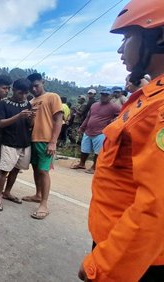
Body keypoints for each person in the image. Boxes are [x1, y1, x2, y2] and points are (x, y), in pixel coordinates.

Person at [78, 1, 164, 280]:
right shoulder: (148, 98)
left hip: (133, 261)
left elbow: (156, 209)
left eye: (127, 37)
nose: (120, 49)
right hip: (117, 241)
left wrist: (101, 267)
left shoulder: (160, 107)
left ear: (159, 37)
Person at [22, 73, 63, 220]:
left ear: (43, 82)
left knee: (43, 171)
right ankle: (38, 195)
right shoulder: (31, 101)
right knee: (35, 169)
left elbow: (58, 120)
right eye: (31, 86)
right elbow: (30, 124)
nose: (34, 89)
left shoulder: (53, 97)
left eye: (36, 85)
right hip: (32, 140)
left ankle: (44, 204)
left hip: (46, 140)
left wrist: (53, 142)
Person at [0, 78, 34, 210]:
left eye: (25, 93)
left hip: (25, 143)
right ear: (14, 90)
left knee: (16, 170)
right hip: (9, 142)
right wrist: (18, 116)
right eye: (20, 93)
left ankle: (7, 192)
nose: (23, 96)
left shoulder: (28, 104)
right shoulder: (4, 104)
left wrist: (31, 118)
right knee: (3, 171)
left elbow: (30, 125)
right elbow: (0, 124)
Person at [71, 89, 120, 174]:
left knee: (98, 151)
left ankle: (94, 167)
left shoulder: (114, 106)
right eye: (102, 94)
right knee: (84, 149)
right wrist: (82, 127)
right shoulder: (94, 105)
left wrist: (113, 122)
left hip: (101, 132)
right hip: (88, 130)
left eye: (106, 95)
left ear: (110, 96)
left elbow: (121, 115)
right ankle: (82, 164)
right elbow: (88, 117)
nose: (104, 96)